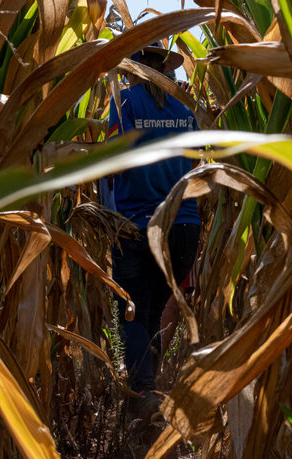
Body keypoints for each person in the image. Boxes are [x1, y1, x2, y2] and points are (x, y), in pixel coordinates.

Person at [102, 43, 200, 421]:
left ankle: (143, 393)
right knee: (152, 313)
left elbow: (112, 162)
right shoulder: (184, 110)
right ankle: (149, 396)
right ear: (166, 70)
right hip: (184, 229)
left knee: (131, 313)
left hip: (140, 227)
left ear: (135, 69)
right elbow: (199, 165)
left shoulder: (124, 102)